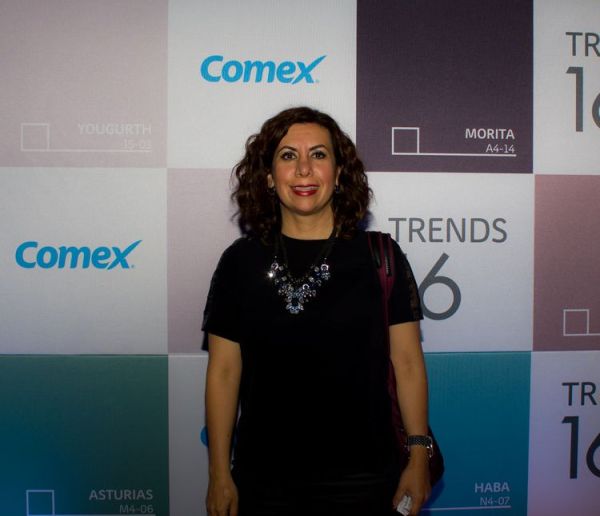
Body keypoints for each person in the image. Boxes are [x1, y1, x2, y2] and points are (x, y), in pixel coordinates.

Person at [203, 106, 431, 516]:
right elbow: (223, 372)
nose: (304, 169)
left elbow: (408, 363)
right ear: (268, 175)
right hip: (263, 480)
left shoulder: (380, 257)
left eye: (319, 155)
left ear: (339, 172)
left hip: (367, 479)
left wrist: (417, 457)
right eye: (288, 155)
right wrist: (219, 472)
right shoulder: (239, 262)